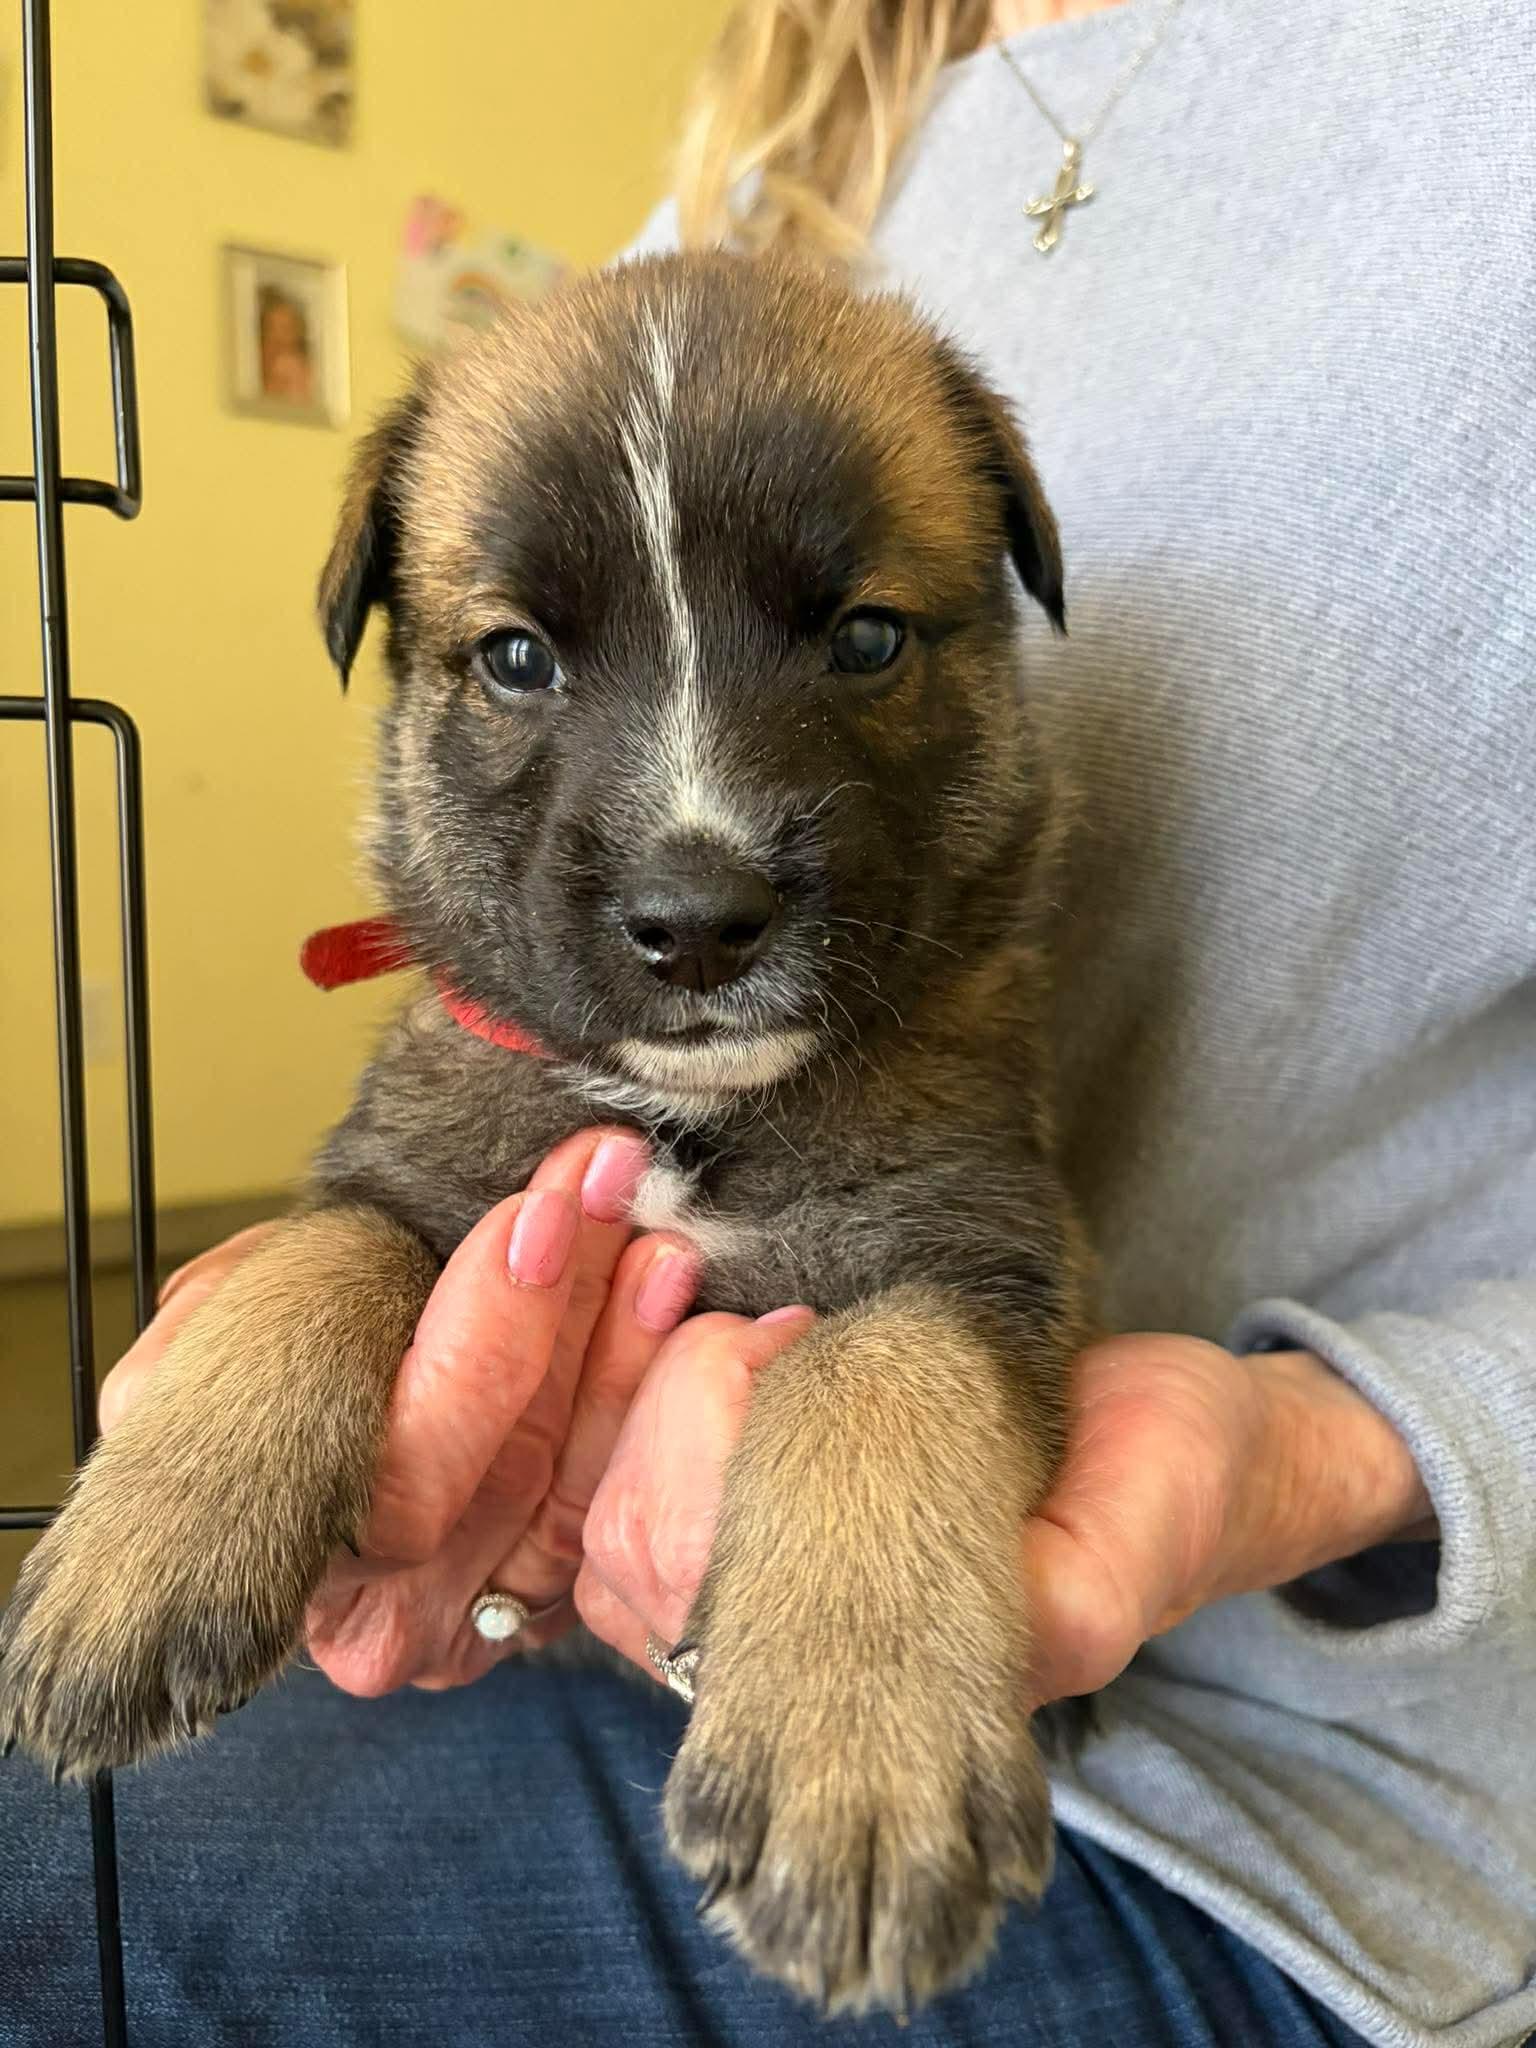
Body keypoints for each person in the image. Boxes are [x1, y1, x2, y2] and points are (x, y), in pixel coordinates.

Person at [5, 2, 1533, 2042]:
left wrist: (1320, 1446)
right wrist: (268, 1384)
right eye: (525, 656)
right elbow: (391, 1221)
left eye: (867, 636)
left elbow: (955, 1311)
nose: (691, 850)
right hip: (583, 1668)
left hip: (1289, 1818)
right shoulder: (769, 159)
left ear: (1003, 614)